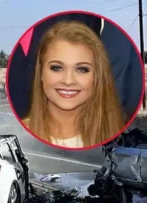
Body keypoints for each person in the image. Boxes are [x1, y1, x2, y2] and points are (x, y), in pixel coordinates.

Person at [22, 20, 125, 148]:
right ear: (41, 73)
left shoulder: (121, 139)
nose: (68, 81)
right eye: (57, 68)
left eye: (82, 69)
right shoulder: (18, 135)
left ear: (97, 77)